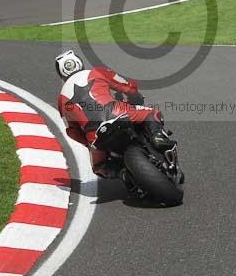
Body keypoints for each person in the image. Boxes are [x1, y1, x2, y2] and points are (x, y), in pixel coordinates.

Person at [55, 50, 175, 179]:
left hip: (94, 134)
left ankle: (124, 175)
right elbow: (128, 86)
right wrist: (136, 98)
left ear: (60, 73)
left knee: (99, 168)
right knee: (152, 112)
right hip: (117, 112)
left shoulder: (61, 99)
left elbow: (72, 132)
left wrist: (88, 143)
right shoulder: (97, 72)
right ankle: (157, 137)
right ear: (80, 62)